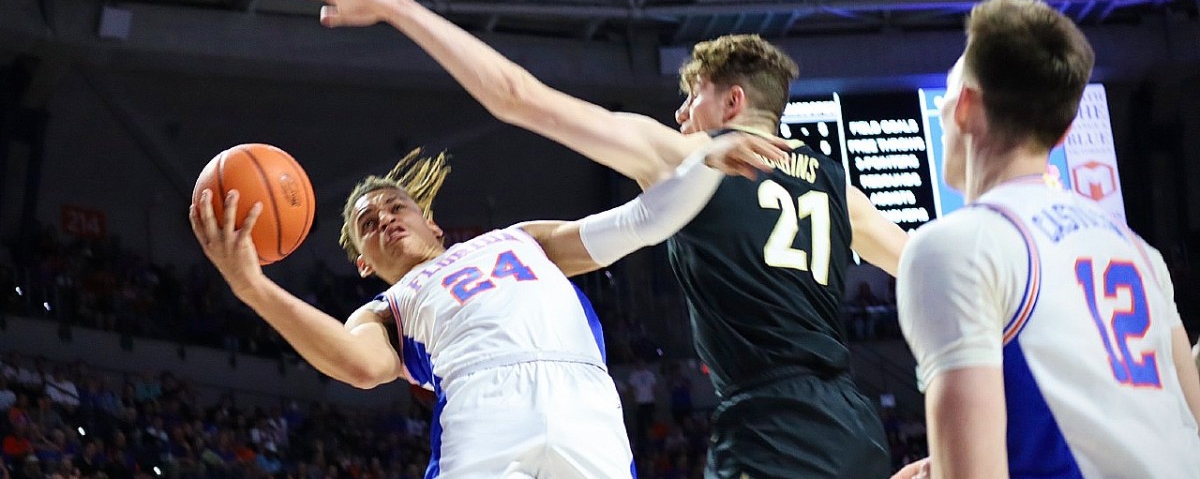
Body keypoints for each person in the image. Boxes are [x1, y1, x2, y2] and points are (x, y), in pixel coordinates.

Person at [283, 0, 909, 478]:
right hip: (850, 417)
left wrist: (397, 7)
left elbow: (515, 96)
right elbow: (928, 269)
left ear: (732, 102)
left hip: (770, 421)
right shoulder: (838, 187)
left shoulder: (684, 156)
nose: (681, 116)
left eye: (691, 100)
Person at [191, 133, 787, 479]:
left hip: (586, 401)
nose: (385, 220)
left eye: (395, 207)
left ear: (431, 220)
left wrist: (705, 163)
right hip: (483, 404)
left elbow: (636, 224)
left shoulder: (519, 238)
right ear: (364, 263)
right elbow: (361, 367)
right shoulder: (385, 307)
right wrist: (252, 287)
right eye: (368, 225)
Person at [893, 0, 1200, 478]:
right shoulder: (1140, 252)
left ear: (967, 107)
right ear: (1063, 133)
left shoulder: (954, 246)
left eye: (948, 96)